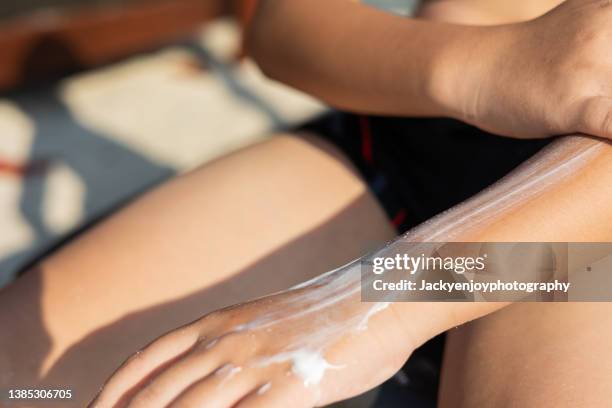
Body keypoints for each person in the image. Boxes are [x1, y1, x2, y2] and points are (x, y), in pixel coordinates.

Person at [1, 0, 612, 407]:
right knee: (23, 385)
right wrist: (491, 64)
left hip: (585, 231)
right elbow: (281, 25)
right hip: (409, 136)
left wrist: (378, 299)